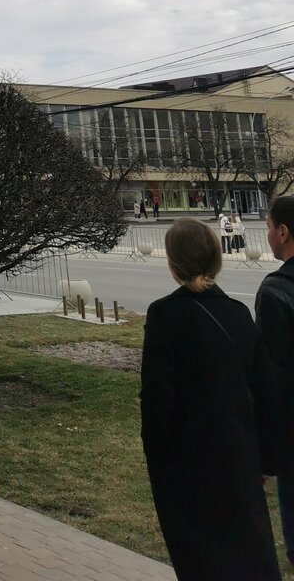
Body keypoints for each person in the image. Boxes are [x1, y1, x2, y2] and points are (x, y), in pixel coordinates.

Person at [141, 217, 280, 581]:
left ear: (174, 262)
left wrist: (158, 465)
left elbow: (156, 400)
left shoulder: (164, 315)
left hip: (188, 465)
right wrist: (265, 460)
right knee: (249, 558)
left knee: (201, 561)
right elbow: (265, 392)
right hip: (239, 459)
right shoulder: (237, 314)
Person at [256, 195, 294, 569]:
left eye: (268, 228)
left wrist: (265, 454)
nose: (267, 236)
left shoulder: (275, 291)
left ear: (282, 232)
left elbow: (272, 379)